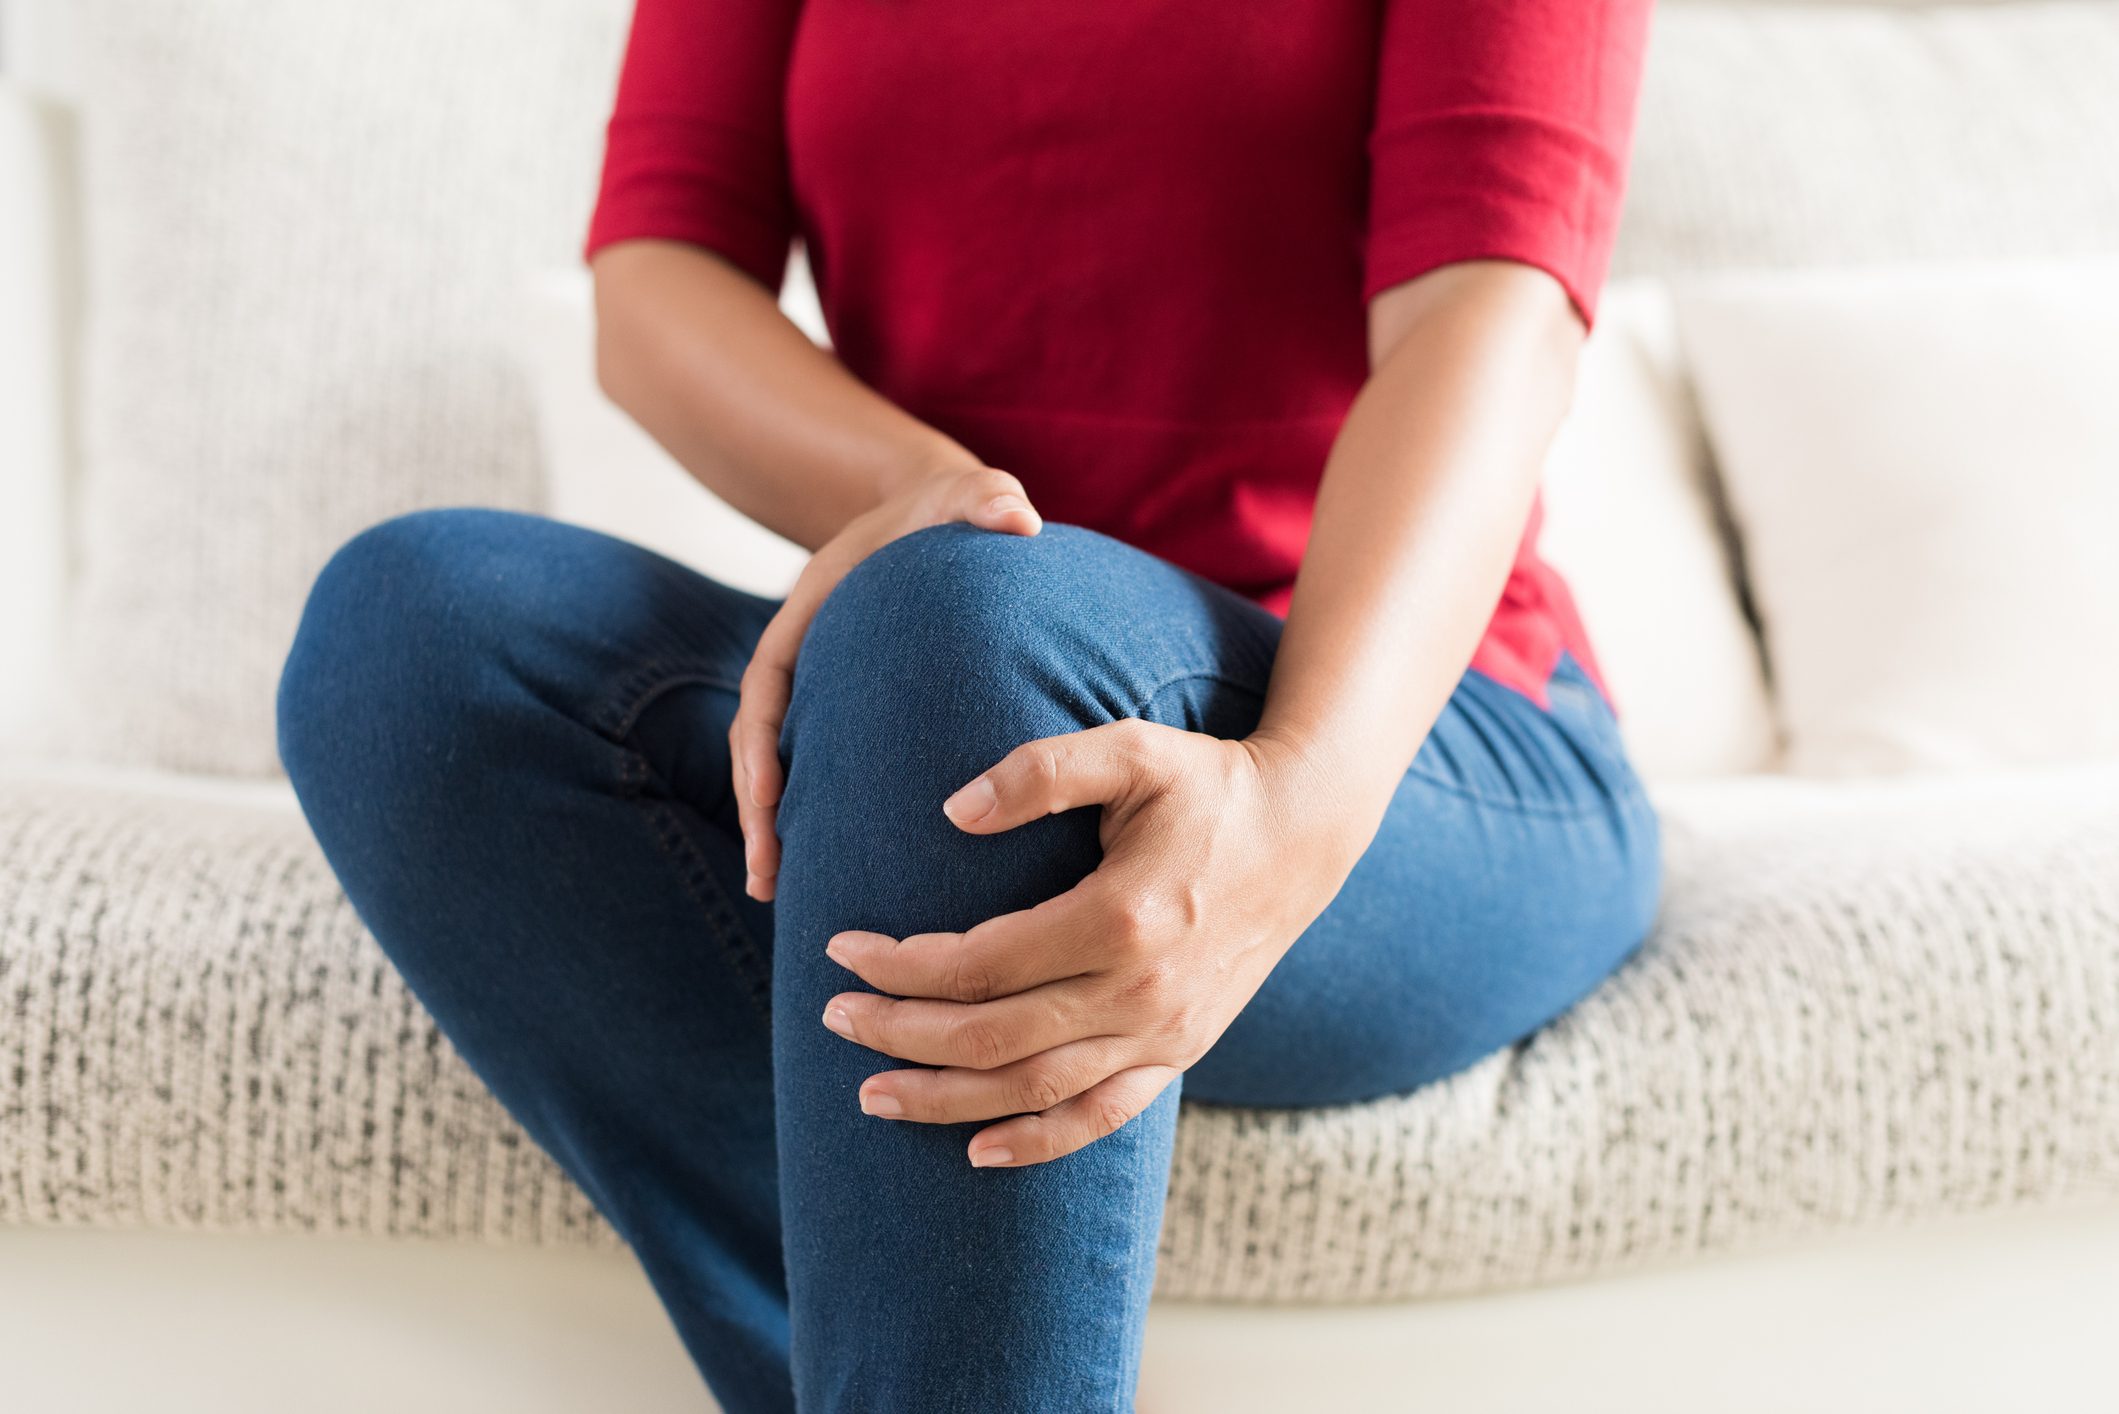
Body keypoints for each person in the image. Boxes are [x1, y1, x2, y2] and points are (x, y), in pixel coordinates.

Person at [276, 1, 1661, 1409]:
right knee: (419, 637)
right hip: (929, 677)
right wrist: (912, 488)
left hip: (1412, 730)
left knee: (970, 655)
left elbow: (1489, 323)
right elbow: (656, 281)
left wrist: (1296, 792)